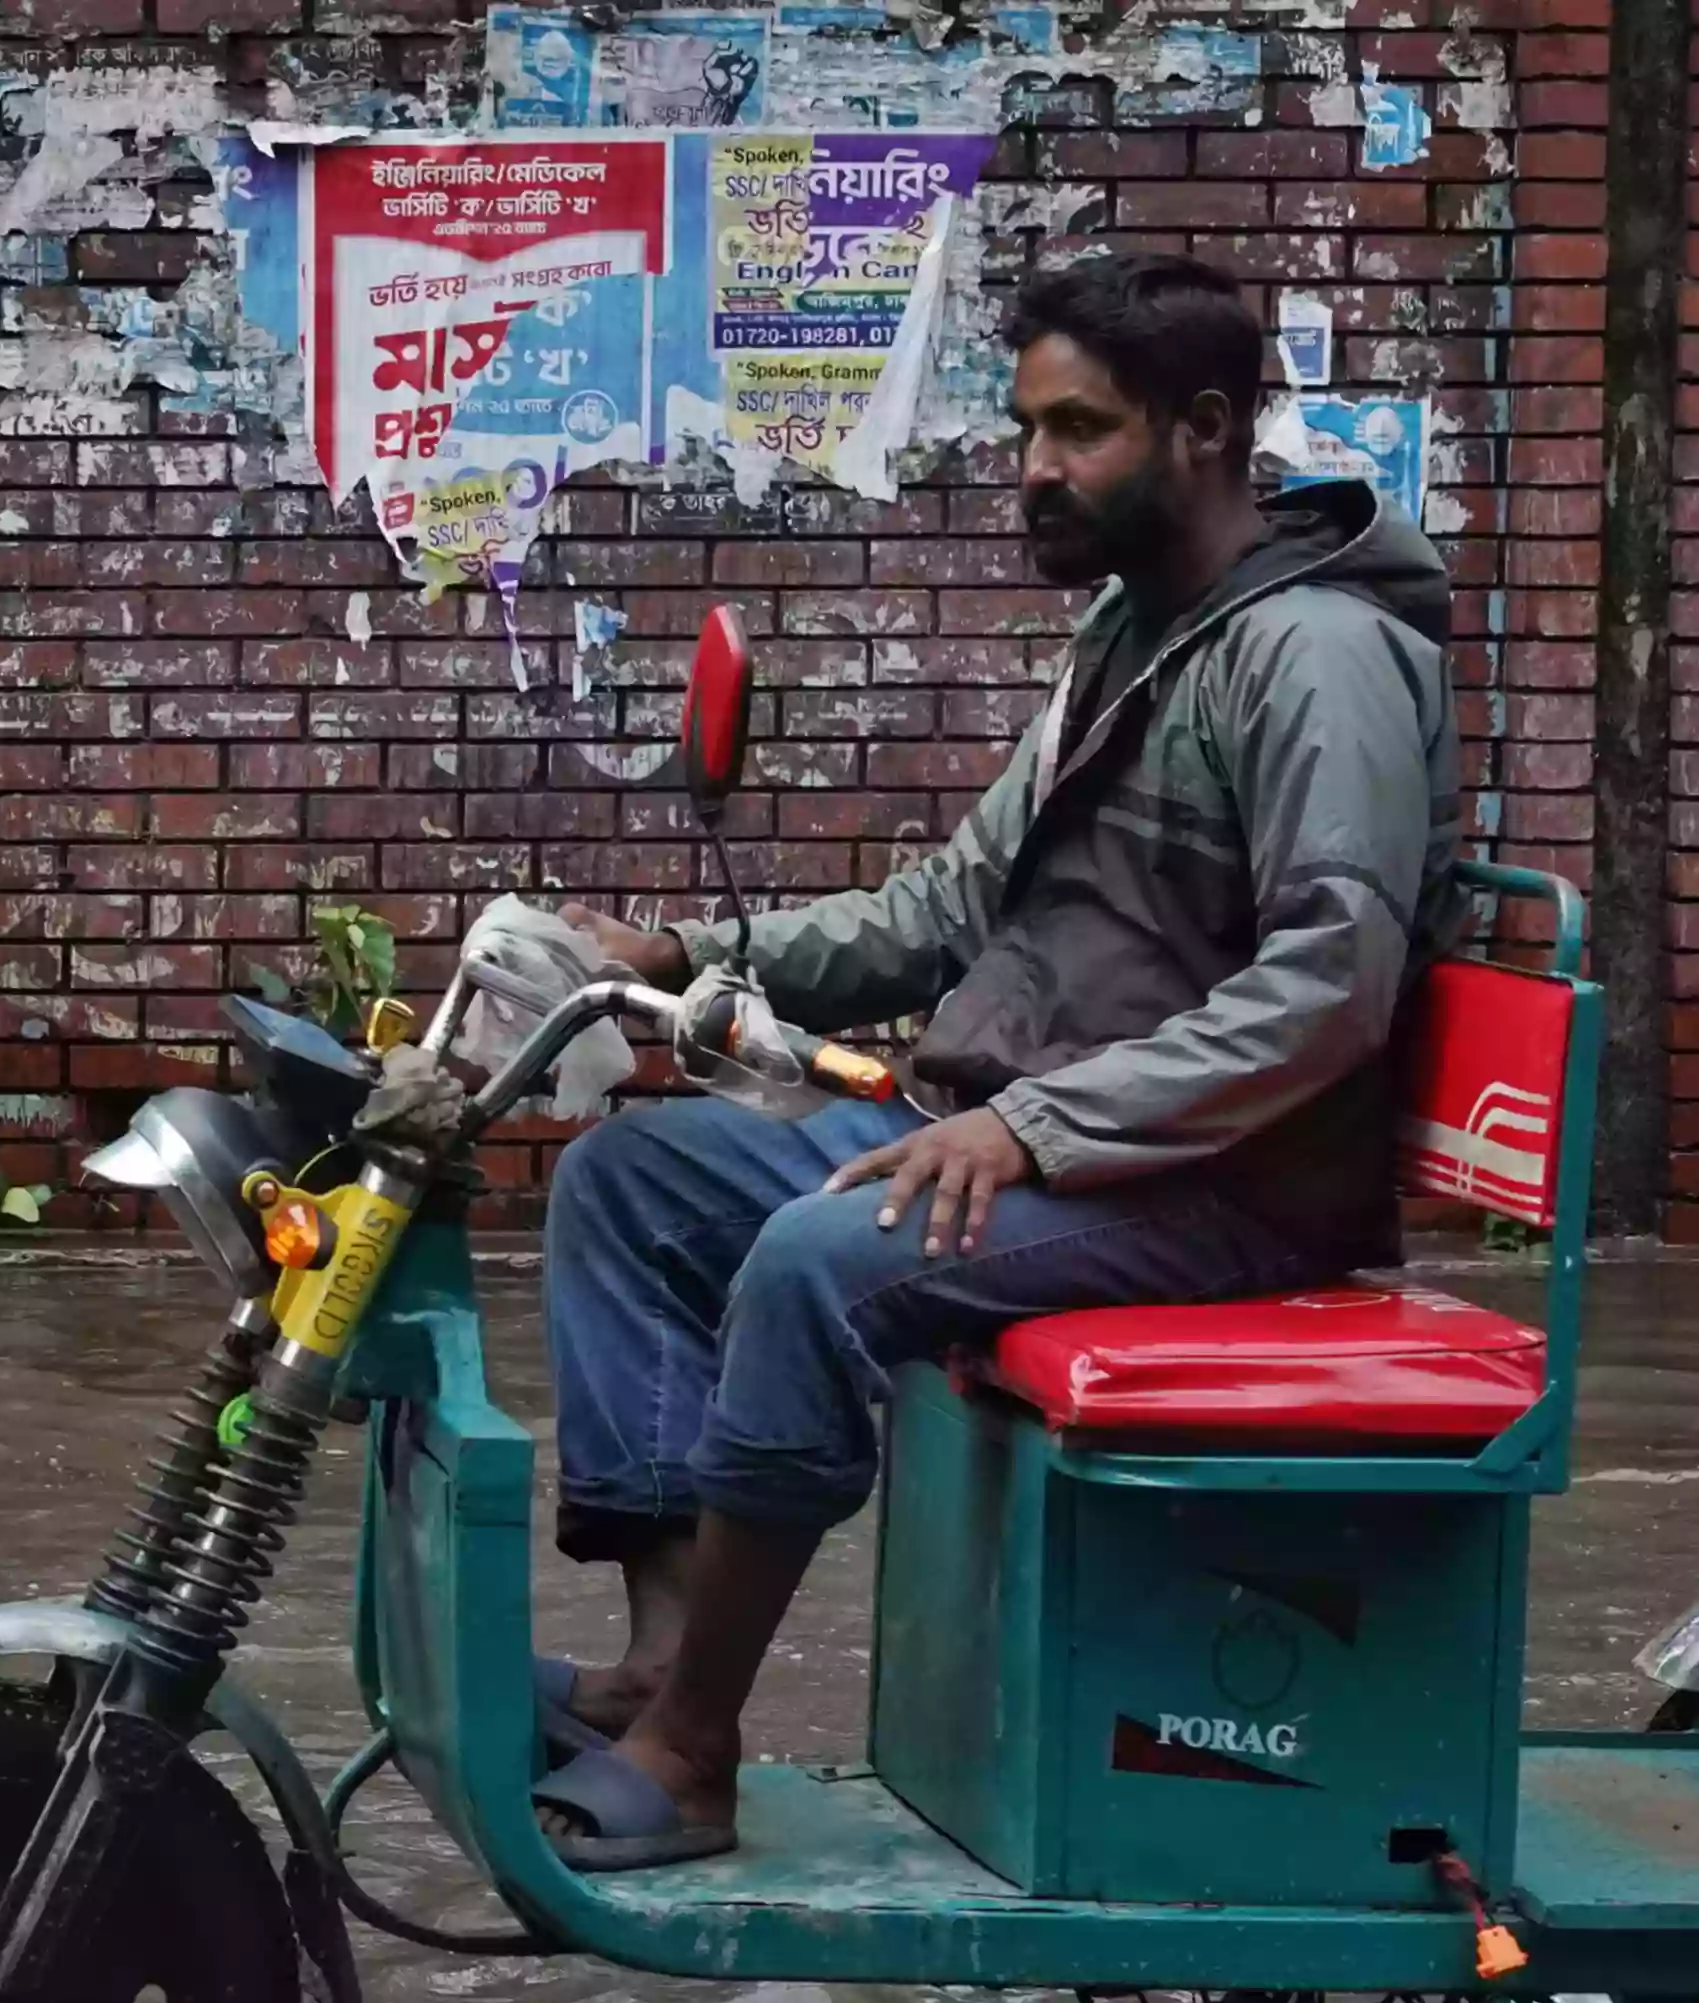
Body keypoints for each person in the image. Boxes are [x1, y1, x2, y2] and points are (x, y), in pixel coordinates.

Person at [524, 252, 1463, 1870]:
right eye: (1023, 426)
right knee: (633, 1175)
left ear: (1203, 429)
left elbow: (1331, 985)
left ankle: (690, 1751)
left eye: (1075, 429)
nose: (1030, 466)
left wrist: (1032, 1126)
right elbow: (951, 901)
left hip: (1220, 1180)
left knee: (818, 1257)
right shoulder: (1130, 634)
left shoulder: (1314, 658)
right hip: (1050, 1137)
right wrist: (688, 958)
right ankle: (654, 1660)